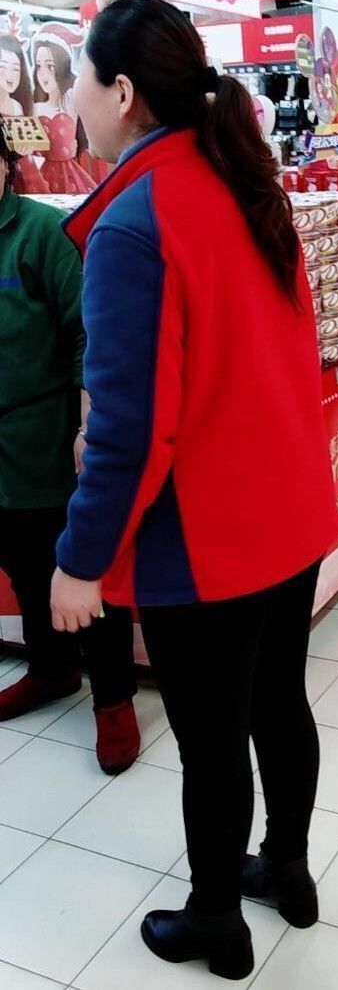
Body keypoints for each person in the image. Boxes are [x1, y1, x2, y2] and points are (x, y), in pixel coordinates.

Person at [49, 0, 338, 982]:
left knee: (213, 741)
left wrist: (80, 559)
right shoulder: (244, 182)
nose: (71, 104)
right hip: (288, 506)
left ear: (123, 91)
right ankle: (288, 871)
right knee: (279, 701)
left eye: (80, 83)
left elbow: (128, 429)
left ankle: (217, 918)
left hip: (206, 533)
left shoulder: (136, 223)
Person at [0, 132, 139, 774]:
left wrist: (89, 425)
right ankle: (51, 669)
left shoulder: (41, 234)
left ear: (7, 166)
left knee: (81, 567)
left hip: (48, 436)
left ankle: (113, 698)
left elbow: (89, 334)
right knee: (23, 568)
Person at [32, 23, 96, 195]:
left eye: (50, 66)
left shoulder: (71, 99)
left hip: (71, 174)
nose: (43, 74)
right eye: (38, 66)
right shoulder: (34, 107)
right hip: (41, 175)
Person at [0, 30, 49, 194]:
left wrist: (26, 149)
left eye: (16, 69)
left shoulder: (17, 106)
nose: (10, 75)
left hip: (24, 174)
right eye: (3, 67)